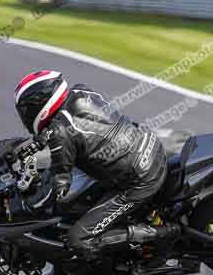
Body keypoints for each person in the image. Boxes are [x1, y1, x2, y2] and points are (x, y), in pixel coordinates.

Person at [13, 70, 178, 262]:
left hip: (139, 180)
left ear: (40, 105)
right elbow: (82, 125)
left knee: (78, 239)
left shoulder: (60, 134)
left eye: (26, 110)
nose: (25, 115)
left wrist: (36, 201)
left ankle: (164, 232)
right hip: (150, 146)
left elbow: (61, 179)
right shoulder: (81, 92)